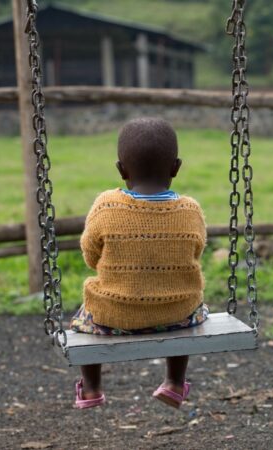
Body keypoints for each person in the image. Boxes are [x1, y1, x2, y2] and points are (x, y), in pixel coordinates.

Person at [70, 117, 208, 410]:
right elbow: (194, 253)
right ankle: (174, 382)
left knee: (84, 319)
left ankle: (92, 388)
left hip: (112, 315)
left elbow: (90, 255)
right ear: (176, 167)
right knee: (188, 314)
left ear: (121, 170)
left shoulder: (106, 206)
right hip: (178, 313)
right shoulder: (190, 210)